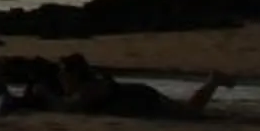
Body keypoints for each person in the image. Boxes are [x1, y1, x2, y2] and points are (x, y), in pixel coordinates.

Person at [52, 52, 232, 117]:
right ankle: (213, 82)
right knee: (189, 111)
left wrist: (44, 94)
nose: (61, 79)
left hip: (142, 99)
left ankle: (213, 81)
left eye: (63, 75)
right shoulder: (89, 87)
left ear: (73, 75)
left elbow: (69, 107)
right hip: (139, 96)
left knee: (191, 113)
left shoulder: (89, 90)